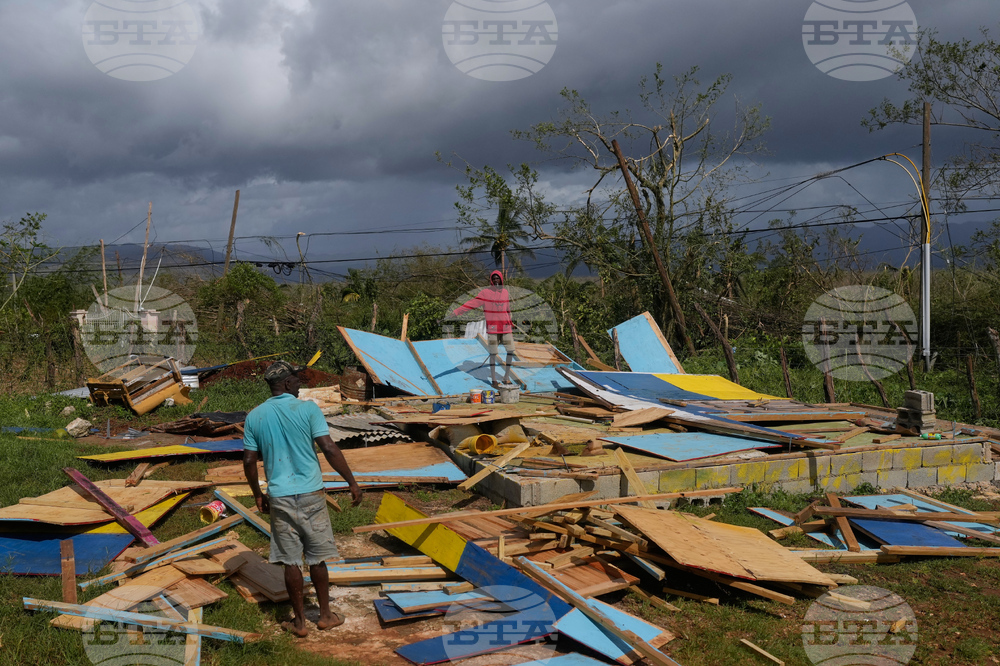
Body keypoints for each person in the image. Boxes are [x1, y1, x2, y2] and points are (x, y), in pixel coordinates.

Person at [242, 360, 363, 638]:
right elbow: (328, 447)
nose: (299, 383)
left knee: (291, 561)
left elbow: (249, 461)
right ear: (286, 383)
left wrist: (258, 494)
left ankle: (299, 623)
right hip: (311, 493)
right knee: (317, 558)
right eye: (296, 379)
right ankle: (325, 616)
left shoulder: (255, 416)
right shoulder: (308, 409)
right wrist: (352, 482)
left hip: (280, 496)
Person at [452, 270, 518, 387]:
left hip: (506, 328)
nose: (496, 280)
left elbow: (507, 309)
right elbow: (471, 303)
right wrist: (457, 312)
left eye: (498, 278)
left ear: (501, 279)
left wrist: (510, 322)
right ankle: (494, 380)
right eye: (494, 278)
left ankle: (506, 377)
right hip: (493, 329)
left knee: (510, 351)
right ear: (491, 280)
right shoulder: (485, 293)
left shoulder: (505, 292)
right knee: (493, 354)